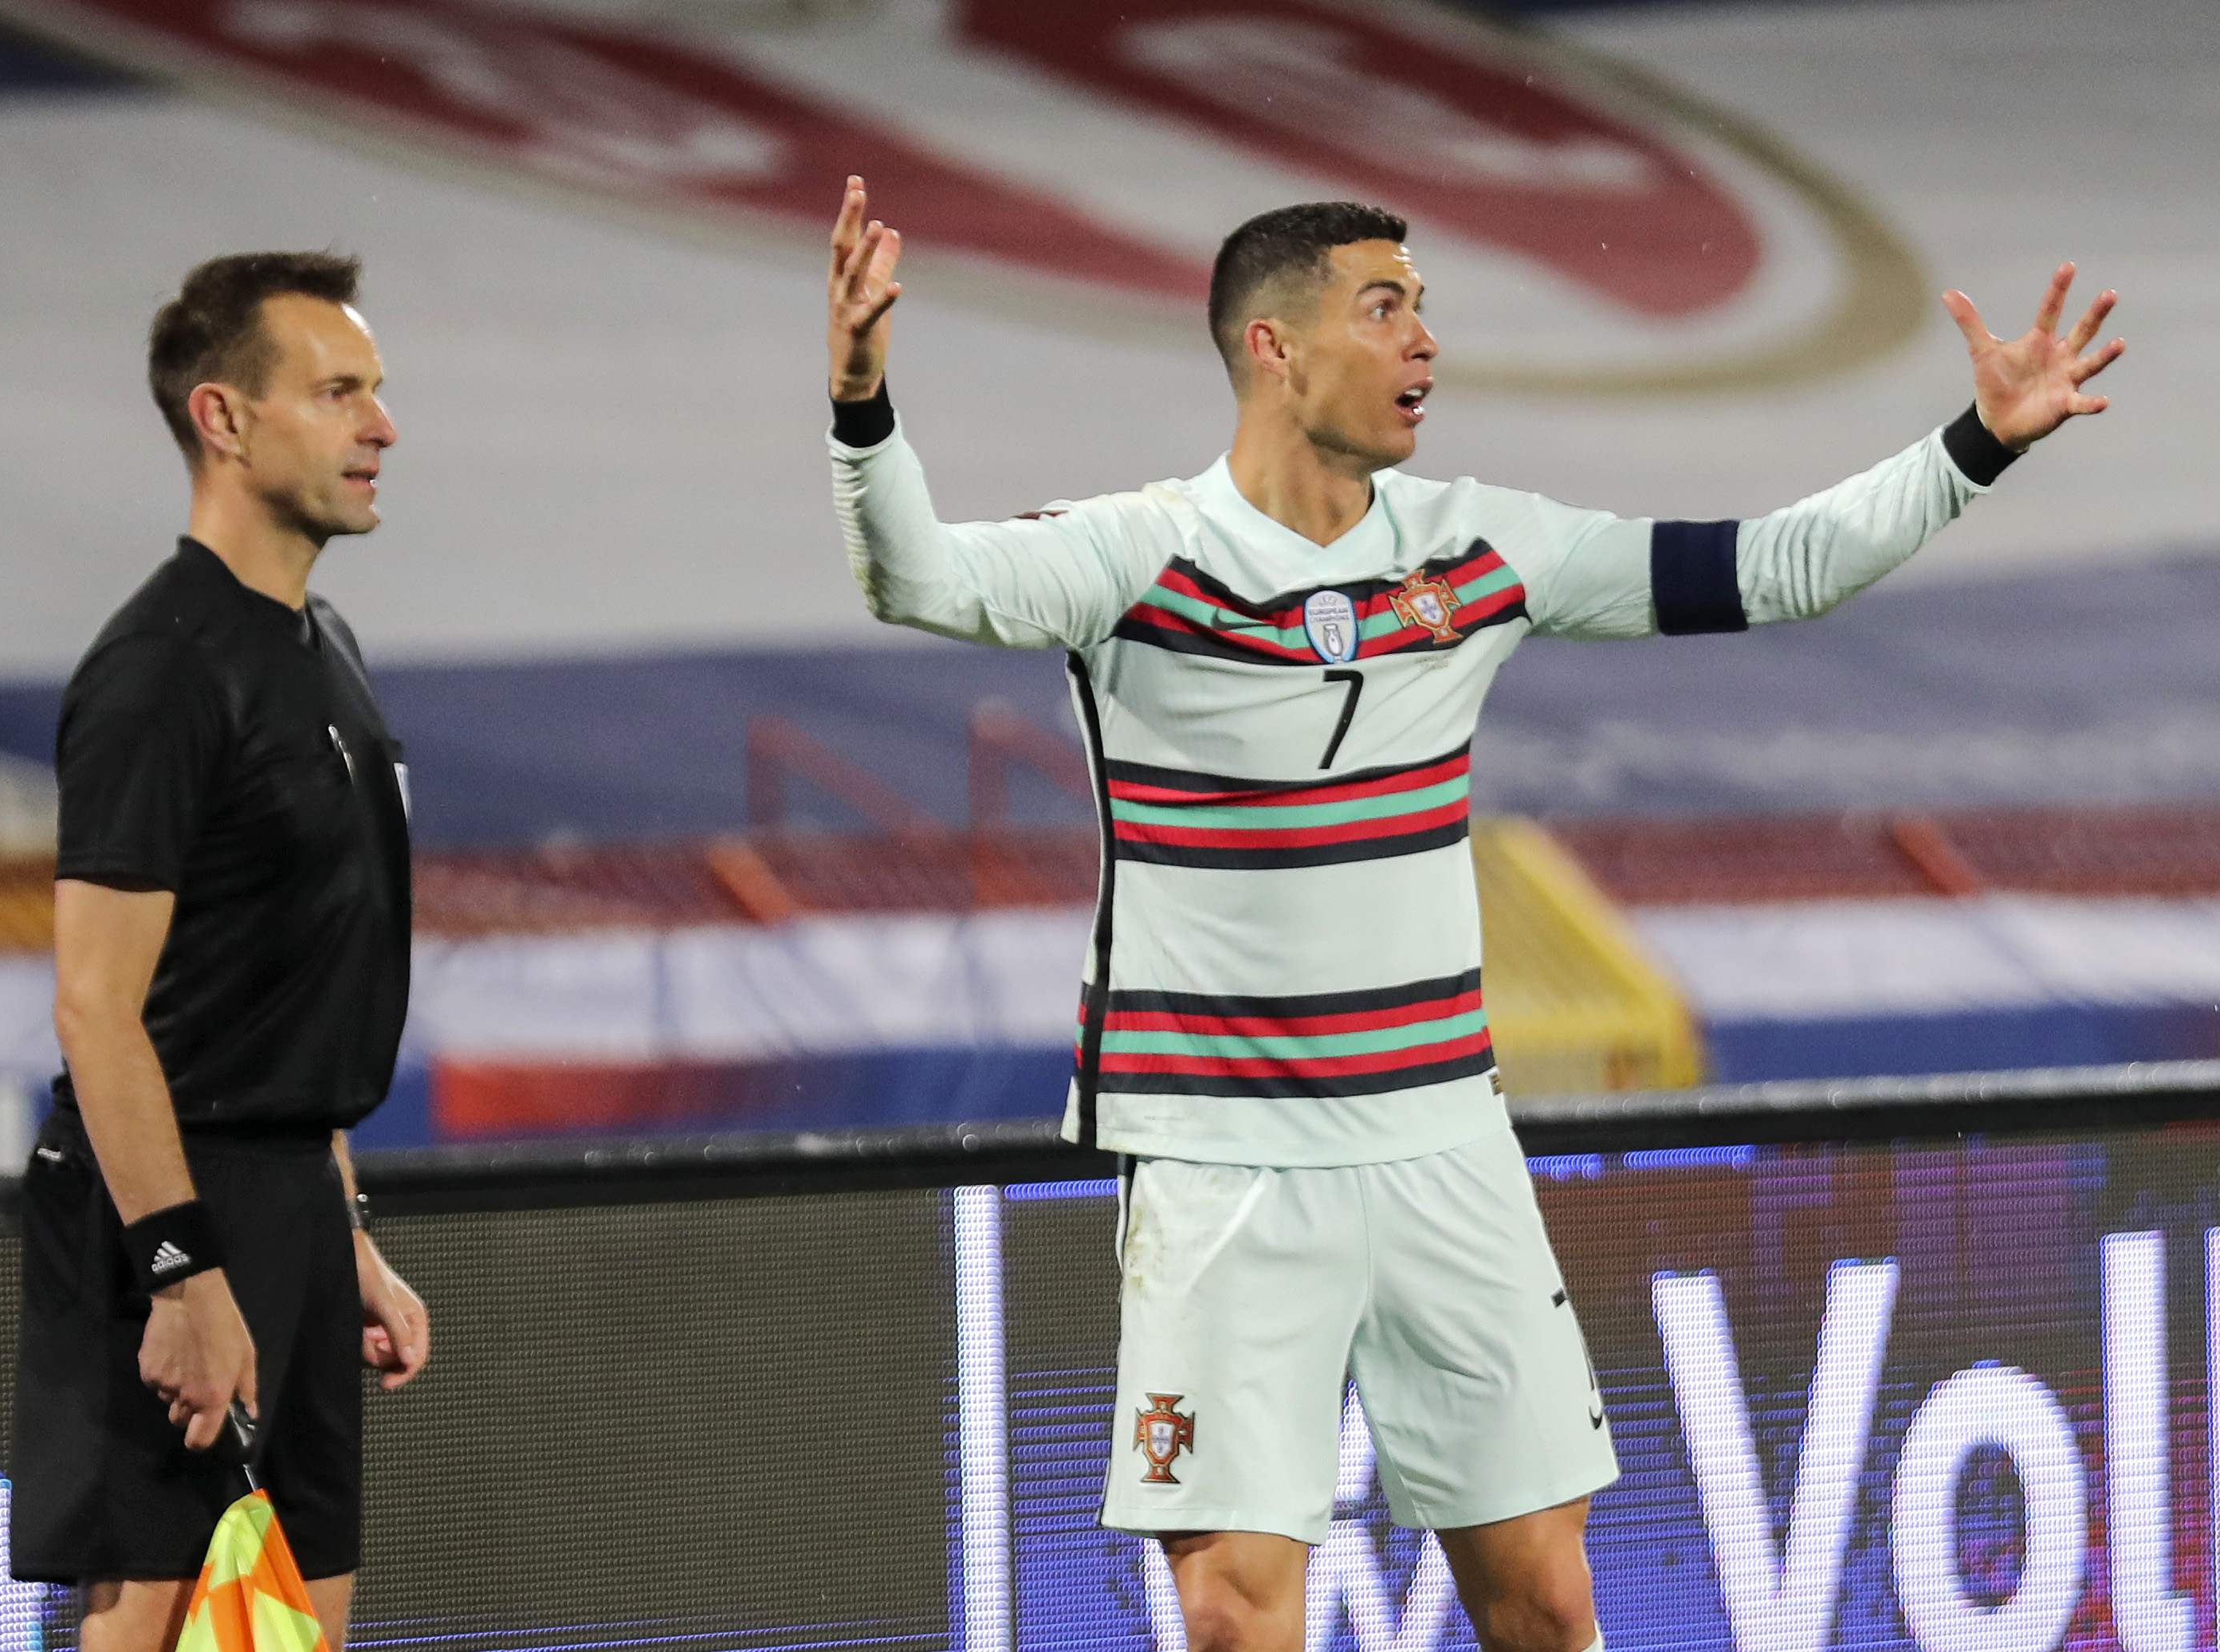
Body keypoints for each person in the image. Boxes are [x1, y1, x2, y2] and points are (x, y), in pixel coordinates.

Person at [822, 179, 2120, 1652]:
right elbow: (915, 578)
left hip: (1443, 1140)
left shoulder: (1475, 547)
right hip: (1227, 1157)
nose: (1425, 343)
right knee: (1239, 1613)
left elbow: (1774, 566)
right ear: (1274, 347)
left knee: (1548, 1601)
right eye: (1386, 309)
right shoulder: (1134, 556)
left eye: (1424, 308)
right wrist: (862, 402)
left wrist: (1973, 448)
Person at [11, 251, 433, 1652]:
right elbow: (95, 1008)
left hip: (291, 1204)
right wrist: (185, 1272)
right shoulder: (160, 671)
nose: (381, 425)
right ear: (224, 418)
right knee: (157, 1622)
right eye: (338, 392)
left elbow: (288, 986)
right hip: (169, 1209)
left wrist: (347, 1233)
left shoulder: (327, 648)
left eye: (375, 392)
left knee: (297, 1631)